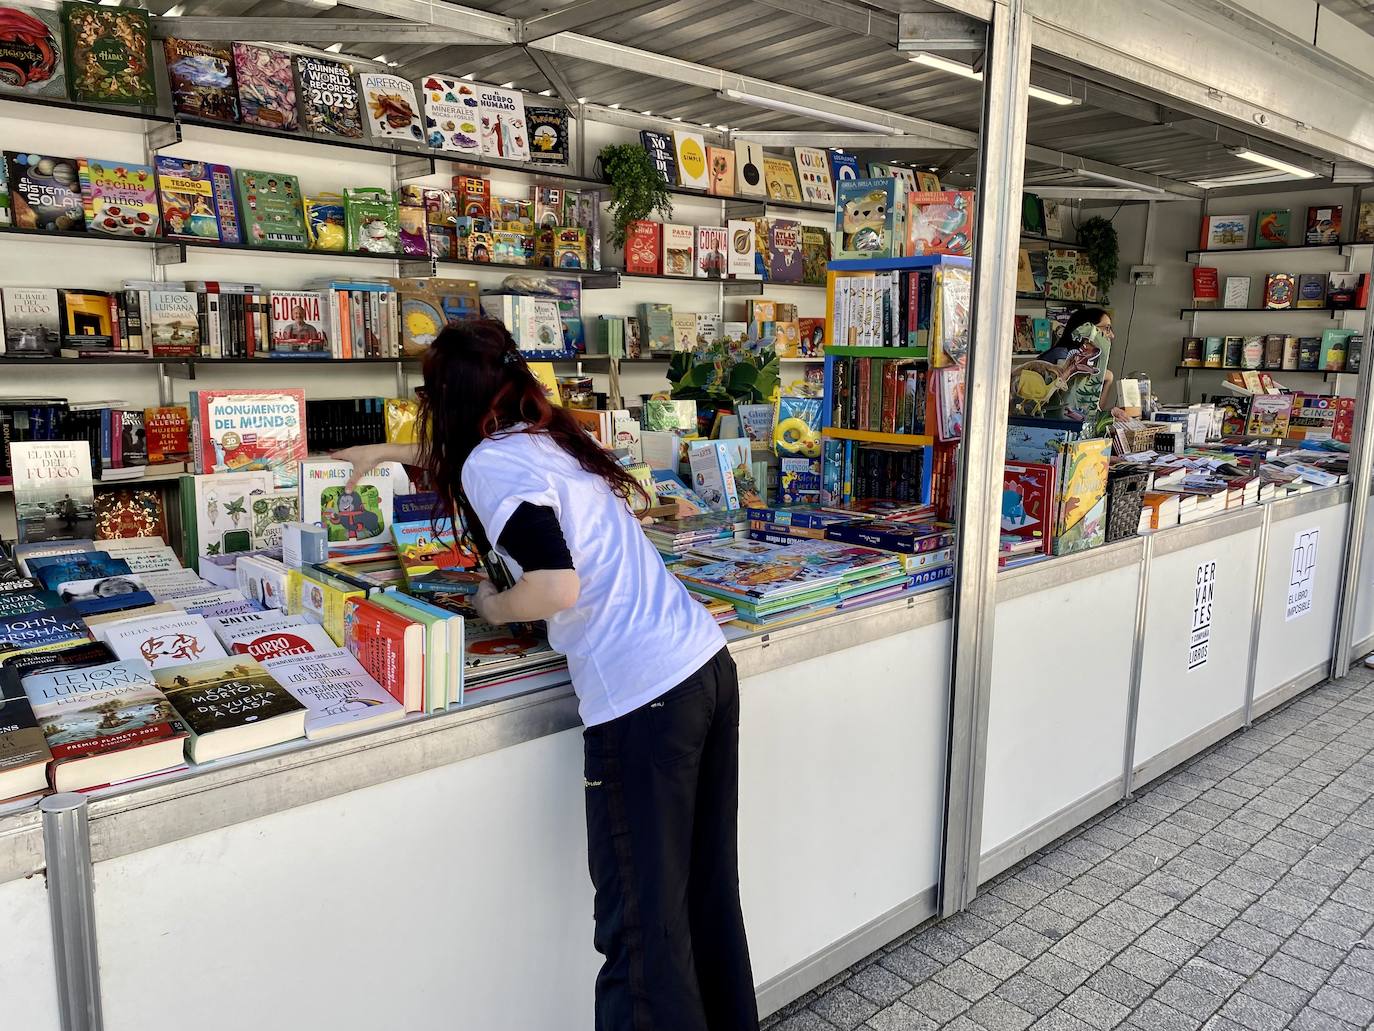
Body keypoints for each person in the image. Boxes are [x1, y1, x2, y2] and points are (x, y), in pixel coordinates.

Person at [332, 320, 758, 1031]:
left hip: (645, 700)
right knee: (706, 899)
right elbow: (480, 463)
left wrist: (493, 604)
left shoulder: (491, 462)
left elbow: (555, 586)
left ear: (452, 402)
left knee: (642, 934)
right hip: (704, 666)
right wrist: (385, 449)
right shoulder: (541, 437)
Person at [1040, 307, 1116, 416]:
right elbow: (1064, 410)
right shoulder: (1062, 356)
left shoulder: (1086, 360)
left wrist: (1108, 380)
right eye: (1107, 328)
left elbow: (1091, 412)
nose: (1112, 335)